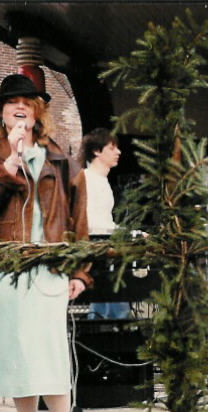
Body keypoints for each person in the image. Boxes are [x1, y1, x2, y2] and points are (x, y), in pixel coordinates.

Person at [0, 74, 91, 412]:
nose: (20, 107)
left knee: (49, 353)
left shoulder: (60, 159)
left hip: (47, 270)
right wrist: (11, 162)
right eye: (12, 102)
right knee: (16, 355)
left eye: (28, 102)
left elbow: (78, 220)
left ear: (37, 114)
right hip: (3, 270)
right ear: (2, 114)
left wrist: (79, 272)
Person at [75, 128, 130, 320]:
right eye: (112, 148)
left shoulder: (102, 181)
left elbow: (104, 220)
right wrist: (127, 234)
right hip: (93, 249)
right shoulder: (86, 179)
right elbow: (91, 222)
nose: (118, 152)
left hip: (102, 247)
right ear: (96, 151)